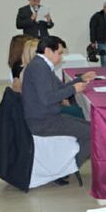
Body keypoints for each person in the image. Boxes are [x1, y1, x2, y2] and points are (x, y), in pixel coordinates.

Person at [21, 37, 96, 177]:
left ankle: (67, 162)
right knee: (93, 132)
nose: (61, 57)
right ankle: (66, 170)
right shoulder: (39, 68)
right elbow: (47, 99)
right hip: (42, 122)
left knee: (91, 126)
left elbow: (60, 88)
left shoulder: (42, 65)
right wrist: (74, 89)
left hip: (48, 117)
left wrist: (81, 79)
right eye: (59, 53)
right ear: (48, 51)